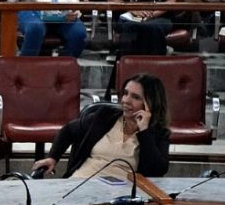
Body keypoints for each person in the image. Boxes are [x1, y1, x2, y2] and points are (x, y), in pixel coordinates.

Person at [34, 73, 170, 179]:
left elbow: (157, 171)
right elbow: (69, 130)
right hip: (79, 182)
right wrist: (53, 157)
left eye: (135, 97)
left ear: (150, 103)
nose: (126, 101)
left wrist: (144, 132)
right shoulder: (105, 116)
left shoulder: (157, 133)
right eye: (125, 93)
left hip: (119, 196)